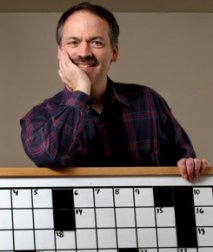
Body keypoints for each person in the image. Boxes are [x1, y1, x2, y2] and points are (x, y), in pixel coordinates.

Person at [20, 1, 208, 181]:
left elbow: (184, 162)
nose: (84, 52)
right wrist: (81, 92)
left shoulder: (149, 101)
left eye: (96, 43)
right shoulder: (40, 116)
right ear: (60, 53)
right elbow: (50, 156)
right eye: (73, 42)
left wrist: (191, 166)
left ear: (114, 52)